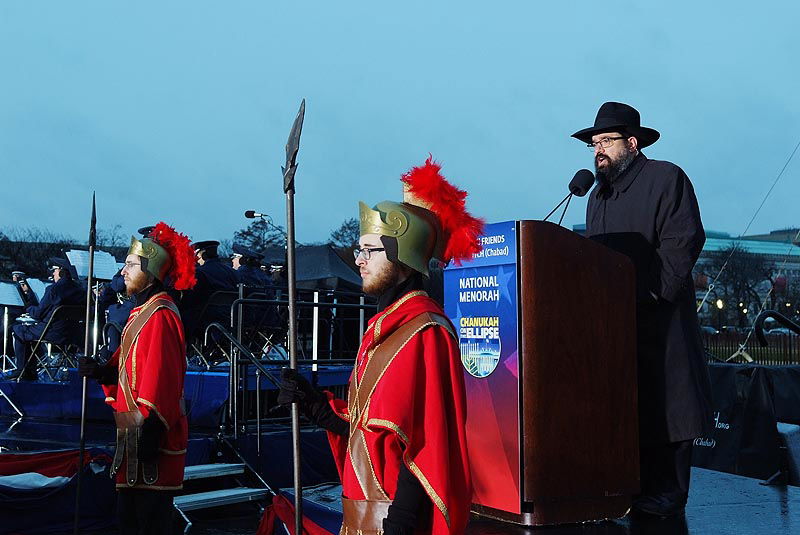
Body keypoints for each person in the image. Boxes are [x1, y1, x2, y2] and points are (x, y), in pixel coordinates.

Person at [279, 157, 482, 535]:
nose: (359, 260)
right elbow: (370, 429)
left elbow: (427, 446)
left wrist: (400, 523)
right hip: (361, 515)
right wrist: (316, 405)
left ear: (404, 258)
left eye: (370, 250)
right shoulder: (382, 329)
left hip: (393, 521)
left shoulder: (426, 331)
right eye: (360, 249)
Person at [573, 102, 713, 517]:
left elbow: (683, 240)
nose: (598, 149)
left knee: (669, 405)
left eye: (606, 141)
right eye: (594, 143)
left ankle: (670, 492)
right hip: (616, 325)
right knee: (628, 408)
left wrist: (651, 294)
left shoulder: (666, 178)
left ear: (632, 143)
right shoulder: (597, 196)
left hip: (660, 319)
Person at [79, 221, 196, 535]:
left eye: (131, 264)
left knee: (147, 522)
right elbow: (128, 364)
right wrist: (102, 370)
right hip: (132, 431)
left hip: (149, 434)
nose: (123, 271)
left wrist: (152, 430)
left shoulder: (161, 314)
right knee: (129, 519)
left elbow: (162, 378)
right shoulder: (140, 311)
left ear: (151, 270)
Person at [10, 257, 84, 380]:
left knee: (18, 330)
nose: (53, 274)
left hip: (52, 333)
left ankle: (22, 371)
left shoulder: (54, 289)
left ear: (61, 271)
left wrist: (28, 306)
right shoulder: (80, 290)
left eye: (54, 270)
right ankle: (29, 371)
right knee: (31, 333)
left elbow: (37, 314)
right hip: (73, 335)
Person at [179, 240, 238, 339]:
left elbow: (190, 299)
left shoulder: (200, 273)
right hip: (230, 318)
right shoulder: (232, 272)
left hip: (206, 320)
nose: (196, 259)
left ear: (203, 255)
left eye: (197, 255)